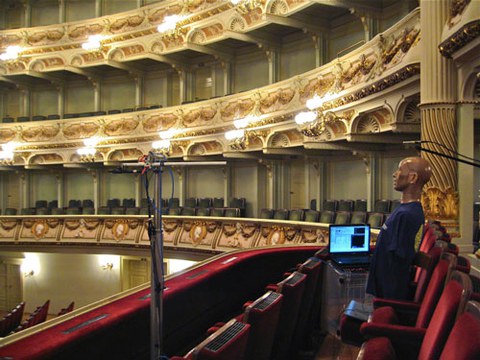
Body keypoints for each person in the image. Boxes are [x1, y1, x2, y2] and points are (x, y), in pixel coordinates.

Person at [366, 156, 432, 300]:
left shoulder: (407, 214)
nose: (395, 174)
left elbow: (398, 260)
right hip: (385, 287)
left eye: (400, 170)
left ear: (412, 177)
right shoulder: (405, 210)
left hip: (390, 291)